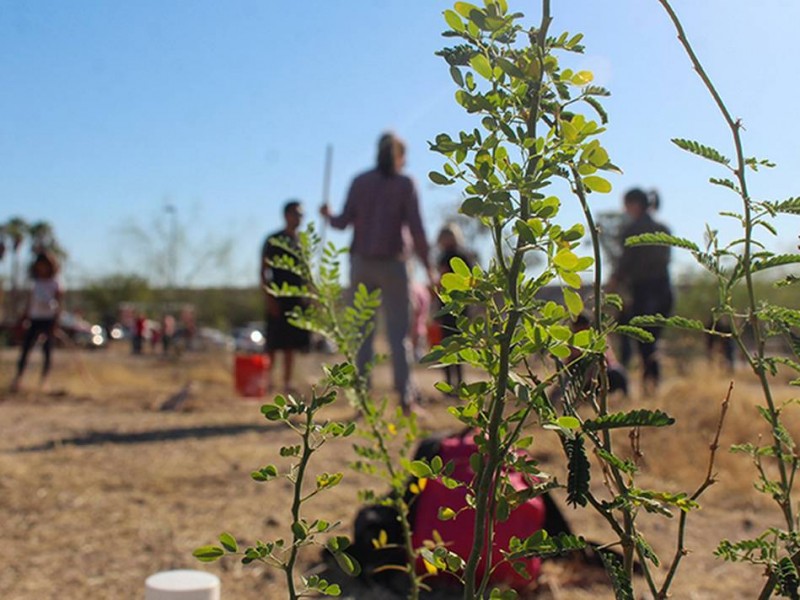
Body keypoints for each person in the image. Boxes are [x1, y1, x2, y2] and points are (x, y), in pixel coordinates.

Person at [320, 132, 435, 413]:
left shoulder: (360, 182)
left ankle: (362, 401)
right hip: (394, 264)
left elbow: (342, 222)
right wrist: (429, 267)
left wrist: (327, 214)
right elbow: (417, 230)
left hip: (362, 263)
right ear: (400, 156)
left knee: (362, 335)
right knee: (400, 336)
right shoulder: (406, 183)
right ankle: (405, 399)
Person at [609, 188, 673, 393]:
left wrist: (613, 282)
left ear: (635, 204)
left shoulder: (634, 230)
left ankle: (648, 385)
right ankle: (651, 385)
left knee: (642, 339)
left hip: (645, 292)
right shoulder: (663, 228)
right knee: (651, 341)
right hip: (664, 292)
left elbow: (625, 264)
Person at [261, 200, 310, 394]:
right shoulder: (274, 240)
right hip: (278, 296)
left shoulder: (301, 243)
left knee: (291, 344)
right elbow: (263, 271)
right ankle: (266, 382)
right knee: (273, 343)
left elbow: (306, 274)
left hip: (297, 298)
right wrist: (269, 298)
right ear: (286, 215)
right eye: (296, 214)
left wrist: (310, 297)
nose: (299, 218)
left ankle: (287, 383)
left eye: (301, 215)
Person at [10, 252, 63, 393]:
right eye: (39, 265)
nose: (42, 268)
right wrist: (23, 319)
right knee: (26, 349)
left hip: (48, 320)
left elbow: (59, 305)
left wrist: (56, 324)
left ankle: (44, 381)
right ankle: (18, 379)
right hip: (34, 319)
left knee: (47, 351)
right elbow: (29, 303)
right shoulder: (35, 283)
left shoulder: (55, 283)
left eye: (44, 265)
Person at [434, 223, 474, 392]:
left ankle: (455, 384)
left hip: (456, 308)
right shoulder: (448, 256)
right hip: (451, 307)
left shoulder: (458, 256)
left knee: (454, 347)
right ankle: (453, 384)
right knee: (451, 347)